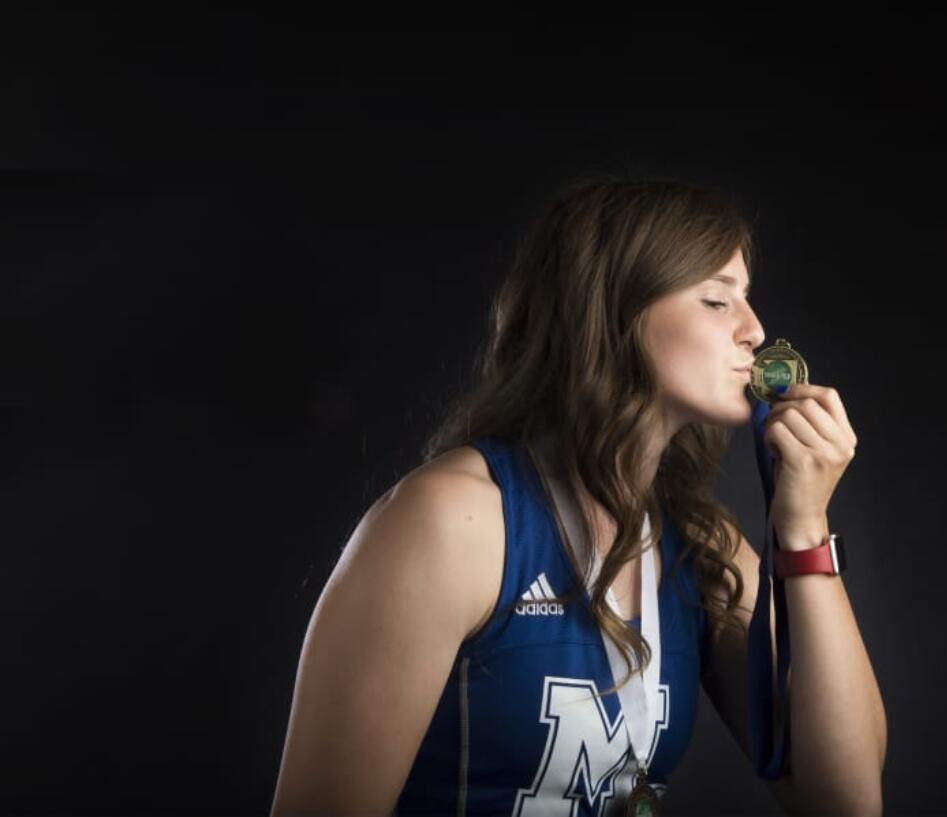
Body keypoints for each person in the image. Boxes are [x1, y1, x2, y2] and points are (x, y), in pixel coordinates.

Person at [270, 174, 885, 816]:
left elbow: (846, 801)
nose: (755, 332)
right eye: (716, 300)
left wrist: (804, 530)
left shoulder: (701, 547)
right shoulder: (456, 520)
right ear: (616, 308)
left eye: (749, 298)